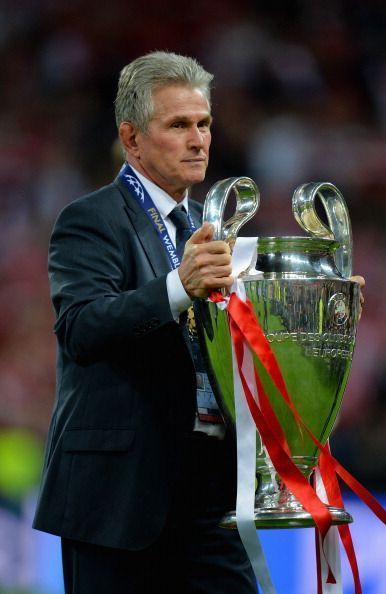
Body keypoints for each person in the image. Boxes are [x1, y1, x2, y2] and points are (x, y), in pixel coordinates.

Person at [33, 51, 259, 594]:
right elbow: (82, 328)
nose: (198, 139)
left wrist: (320, 309)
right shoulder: (90, 219)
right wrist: (178, 288)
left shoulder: (212, 227)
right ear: (132, 139)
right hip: (118, 498)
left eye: (203, 123)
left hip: (208, 487)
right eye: (178, 125)